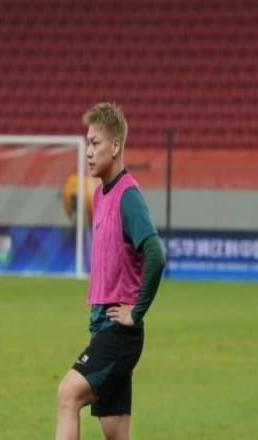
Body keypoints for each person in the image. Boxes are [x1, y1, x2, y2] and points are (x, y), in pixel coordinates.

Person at [55, 102, 166, 440]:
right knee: (115, 431)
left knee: (68, 394)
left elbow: (156, 255)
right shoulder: (101, 194)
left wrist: (137, 312)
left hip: (119, 331)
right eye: (87, 143)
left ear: (115, 146)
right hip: (103, 326)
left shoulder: (128, 196)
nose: (88, 152)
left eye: (95, 143)